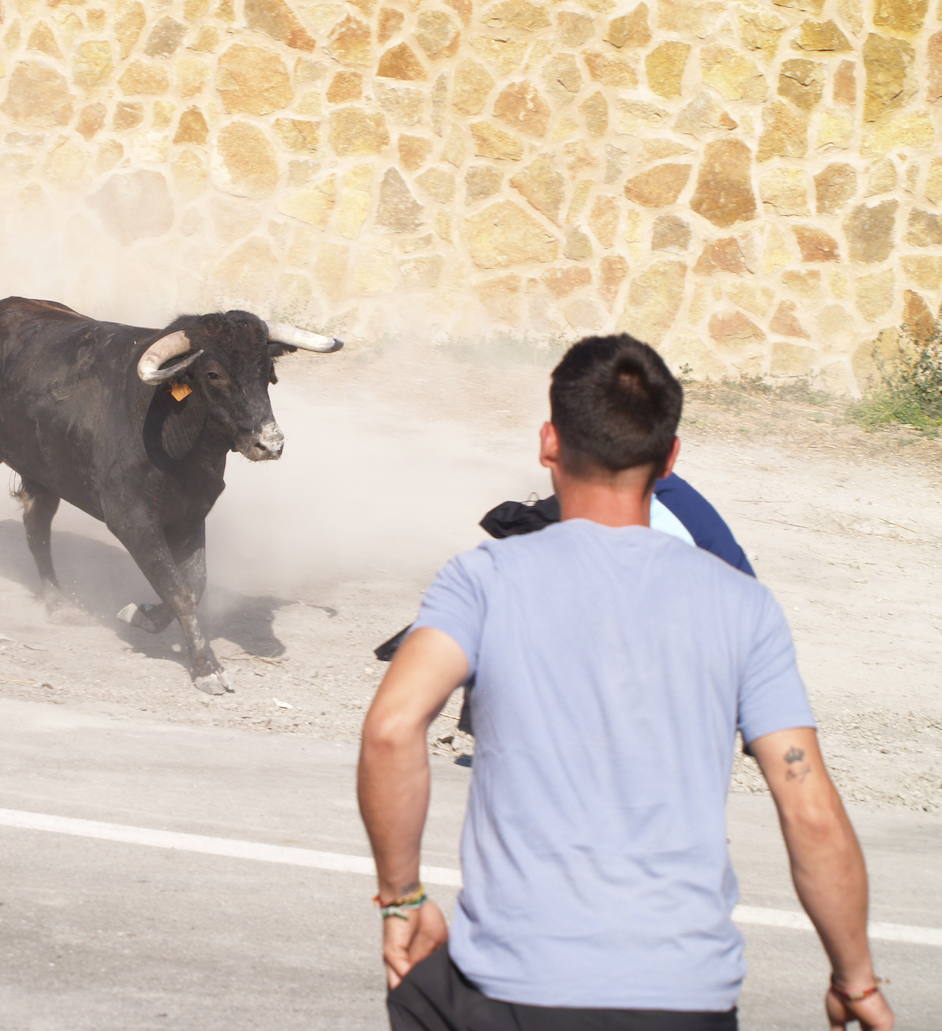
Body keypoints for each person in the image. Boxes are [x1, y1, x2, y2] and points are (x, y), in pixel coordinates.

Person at [358, 335, 893, 1030]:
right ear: (671, 459)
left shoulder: (484, 578)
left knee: (427, 995)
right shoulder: (743, 605)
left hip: (509, 988)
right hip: (682, 995)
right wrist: (855, 977)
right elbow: (809, 807)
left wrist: (401, 900)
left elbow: (393, 728)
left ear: (548, 442)